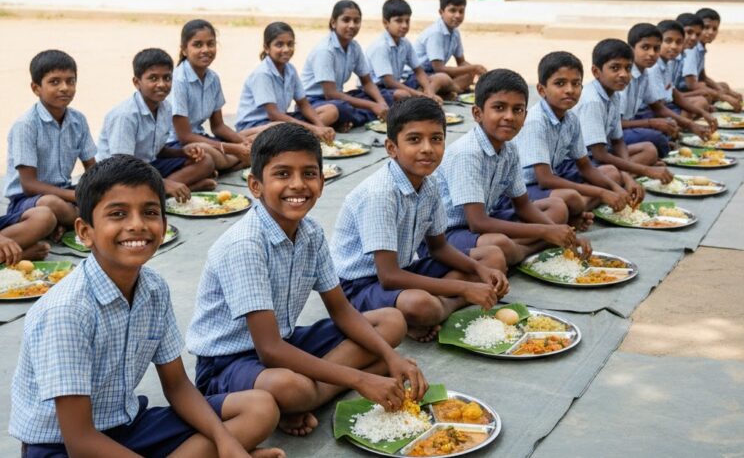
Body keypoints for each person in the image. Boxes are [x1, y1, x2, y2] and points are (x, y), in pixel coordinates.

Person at [9, 155, 284, 458]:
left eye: (150, 212)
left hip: (127, 426)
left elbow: (177, 385)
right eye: (118, 214)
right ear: (85, 232)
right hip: (60, 447)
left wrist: (226, 443)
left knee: (259, 408)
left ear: (164, 225)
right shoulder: (67, 311)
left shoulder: (153, 289)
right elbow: (80, 440)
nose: (137, 225)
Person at [186, 124, 426, 437]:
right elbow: (269, 350)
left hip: (285, 342)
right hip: (228, 363)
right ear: (255, 185)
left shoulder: (311, 232)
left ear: (322, 182)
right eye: (282, 174)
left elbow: (342, 310)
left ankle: (311, 396)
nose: (298, 184)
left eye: (309, 174)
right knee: (291, 387)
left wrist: (390, 358)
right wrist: (360, 379)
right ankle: (310, 395)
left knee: (391, 321)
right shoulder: (245, 244)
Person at [331, 98, 509, 343]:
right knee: (422, 305)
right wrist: (464, 288)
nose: (427, 148)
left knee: (492, 258)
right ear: (391, 148)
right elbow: (389, 277)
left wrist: (479, 269)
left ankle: (432, 311)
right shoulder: (380, 194)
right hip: (359, 284)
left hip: (403, 269)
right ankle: (436, 310)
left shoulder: (429, 184)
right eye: (414, 140)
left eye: (436, 139)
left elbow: (439, 248)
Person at [432, 69, 589, 266]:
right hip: (449, 233)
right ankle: (525, 250)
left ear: (525, 115)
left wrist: (562, 232)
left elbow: (523, 206)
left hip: (489, 216)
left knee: (556, 208)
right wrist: (545, 231)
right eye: (499, 108)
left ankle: (521, 251)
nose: (509, 117)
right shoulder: (467, 153)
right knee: (500, 244)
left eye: (517, 110)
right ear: (477, 113)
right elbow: (477, 222)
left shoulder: (509, 148)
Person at [517, 51, 642, 213]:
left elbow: (585, 167)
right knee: (570, 198)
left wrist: (617, 188)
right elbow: (545, 180)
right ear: (542, 90)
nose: (569, 90)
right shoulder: (536, 121)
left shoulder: (571, 118)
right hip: (525, 188)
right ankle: (574, 211)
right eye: (560, 83)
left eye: (576, 83)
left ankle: (577, 210)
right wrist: (601, 192)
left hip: (555, 176)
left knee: (611, 173)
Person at [97, 48, 217, 202]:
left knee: (206, 161)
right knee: (128, 190)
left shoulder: (165, 108)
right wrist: (165, 183)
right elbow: (122, 166)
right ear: (137, 82)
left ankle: (162, 192)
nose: (161, 84)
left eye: (167, 78)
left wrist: (182, 153)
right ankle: (175, 190)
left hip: (147, 168)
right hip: (118, 174)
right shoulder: (125, 116)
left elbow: (156, 150)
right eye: (153, 78)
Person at [3, 50, 95, 243]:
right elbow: (29, 185)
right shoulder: (26, 125)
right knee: (51, 205)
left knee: (109, 193)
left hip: (65, 193)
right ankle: (85, 220)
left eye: (70, 81)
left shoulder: (78, 120)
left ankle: (66, 222)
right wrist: (77, 196)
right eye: (54, 82)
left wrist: (96, 190)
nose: (64, 88)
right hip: (28, 200)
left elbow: (92, 168)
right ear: (36, 88)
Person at [574, 39, 673, 183]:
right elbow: (599, 155)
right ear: (596, 72)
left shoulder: (614, 95)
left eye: (628, 68)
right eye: (615, 68)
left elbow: (618, 141)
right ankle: (620, 179)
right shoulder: (592, 100)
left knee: (648, 149)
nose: (623, 74)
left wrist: (630, 169)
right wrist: (645, 170)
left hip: (600, 155)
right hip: (580, 161)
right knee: (612, 173)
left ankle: (624, 177)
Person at [170, 19, 256, 171]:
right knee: (205, 153)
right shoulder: (178, 81)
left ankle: (236, 160)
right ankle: (236, 162)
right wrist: (234, 148)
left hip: (202, 138)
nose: (205, 50)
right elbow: (184, 136)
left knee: (256, 138)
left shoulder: (213, 78)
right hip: (177, 145)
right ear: (184, 50)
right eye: (197, 45)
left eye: (210, 44)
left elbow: (218, 126)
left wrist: (244, 142)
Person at [236, 22, 337, 143]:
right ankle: (249, 140)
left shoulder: (290, 70)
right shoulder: (262, 73)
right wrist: (313, 129)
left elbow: (303, 104)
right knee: (280, 129)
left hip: (279, 121)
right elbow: (273, 114)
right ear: (267, 48)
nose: (286, 49)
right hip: (255, 125)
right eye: (279, 45)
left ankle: (300, 137)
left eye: (290, 44)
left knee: (331, 110)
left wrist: (321, 127)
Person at [619, 23, 709, 158]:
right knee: (657, 138)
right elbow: (615, 124)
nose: (651, 53)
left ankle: (659, 148)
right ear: (631, 49)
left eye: (656, 48)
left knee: (665, 128)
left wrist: (691, 125)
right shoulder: (624, 77)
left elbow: (658, 106)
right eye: (645, 47)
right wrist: (652, 123)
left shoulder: (644, 73)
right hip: (614, 133)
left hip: (632, 123)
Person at [301, 0, 392, 130]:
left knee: (387, 97)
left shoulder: (354, 47)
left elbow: (367, 82)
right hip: (314, 102)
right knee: (339, 109)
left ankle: (345, 121)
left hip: (338, 97)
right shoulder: (325, 50)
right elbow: (330, 94)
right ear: (333, 23)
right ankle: (336, 121)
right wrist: (372, 106)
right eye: (346, 20)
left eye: (356, 21)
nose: (352, 25)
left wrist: (381, 103)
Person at [367, 0, 451, 102]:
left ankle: (425, 98)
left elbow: (418, 71)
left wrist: (429, 92)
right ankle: (421, 100)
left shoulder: (404, 43)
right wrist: (420, 95)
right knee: (403, 95)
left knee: (440, 78)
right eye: (399, 21)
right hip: (376, 90)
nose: (405, 25)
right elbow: (389, 82)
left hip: (395, 86)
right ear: (385, 23)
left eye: (407, 21)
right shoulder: (381, 46)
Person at [413, 0, 486, 98]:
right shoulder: (436, 33)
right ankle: (432, 93)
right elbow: (439, 68)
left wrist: (478, 71)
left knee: (468, 75)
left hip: (434, 75)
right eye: (452, 11)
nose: (457, 15)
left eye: (461, 11)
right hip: (417, 76)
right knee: (442, 78)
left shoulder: (455, 32)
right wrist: (473, 68)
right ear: (441, 12)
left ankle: (448, 91)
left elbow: (461, 62)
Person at [651, 21, 717, 131]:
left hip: (665, 105)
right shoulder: (653, 67)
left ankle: (677, 128)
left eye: (678, 42)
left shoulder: (668, 63)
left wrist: (702, 113)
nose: (674, 46)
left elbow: (674, 93)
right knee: (701, 100)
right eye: (668, 41)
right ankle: (677, 129)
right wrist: (689, 123)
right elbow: (658, 108)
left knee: (700, 103)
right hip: (653, 111)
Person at [695, 7, 744, 108]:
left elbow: (702, 76)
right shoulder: (693, 49)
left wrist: (725, 91)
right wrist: (723, 96)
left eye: (715, 29)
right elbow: (694, 84)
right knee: (706, 97)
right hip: (689, 89)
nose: (711, 32)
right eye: (706, 27)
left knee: (723, 86)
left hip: (697, 85)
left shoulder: (701, 49)